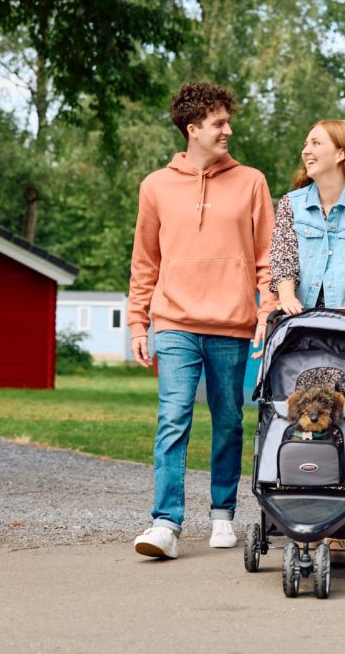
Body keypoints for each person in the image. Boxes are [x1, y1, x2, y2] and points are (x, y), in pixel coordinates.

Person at [128, 82, 277, 560]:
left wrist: (267, 311)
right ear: (193, 129)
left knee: (229, 421)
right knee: (173, 418)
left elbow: (267, 257)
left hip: (232, 323)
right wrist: (137, 322)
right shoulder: (155, 186)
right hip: (173, 321)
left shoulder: (251, 181)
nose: (228, 130)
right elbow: (144, 261)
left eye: (228, 121)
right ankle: (166, 523)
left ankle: (222, 515)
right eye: (219, 123)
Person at [269, 118, 345, 567]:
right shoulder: (291, 204)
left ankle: (339, 529)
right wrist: (285, 294)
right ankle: (294, 515)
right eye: (306, 142)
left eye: (316, 142)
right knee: (291, 411)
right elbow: (281, 258)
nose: (306, 149)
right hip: (300, 325)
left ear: (341, 153)